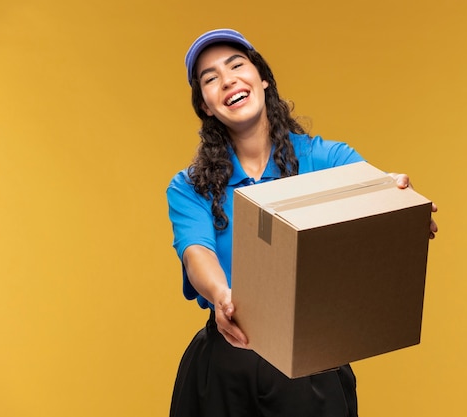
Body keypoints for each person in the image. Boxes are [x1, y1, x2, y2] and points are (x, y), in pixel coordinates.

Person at [166, 28, 438, 417]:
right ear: (206, 105)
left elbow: (379, 192)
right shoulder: (190, 186)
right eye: (210, 79)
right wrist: (223, 295)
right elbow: (196, 253)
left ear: (262, 78)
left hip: (312, 368)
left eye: (236, 65)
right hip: (224, 369)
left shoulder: (326, 159)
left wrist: (402, 206)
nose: (227, 80)